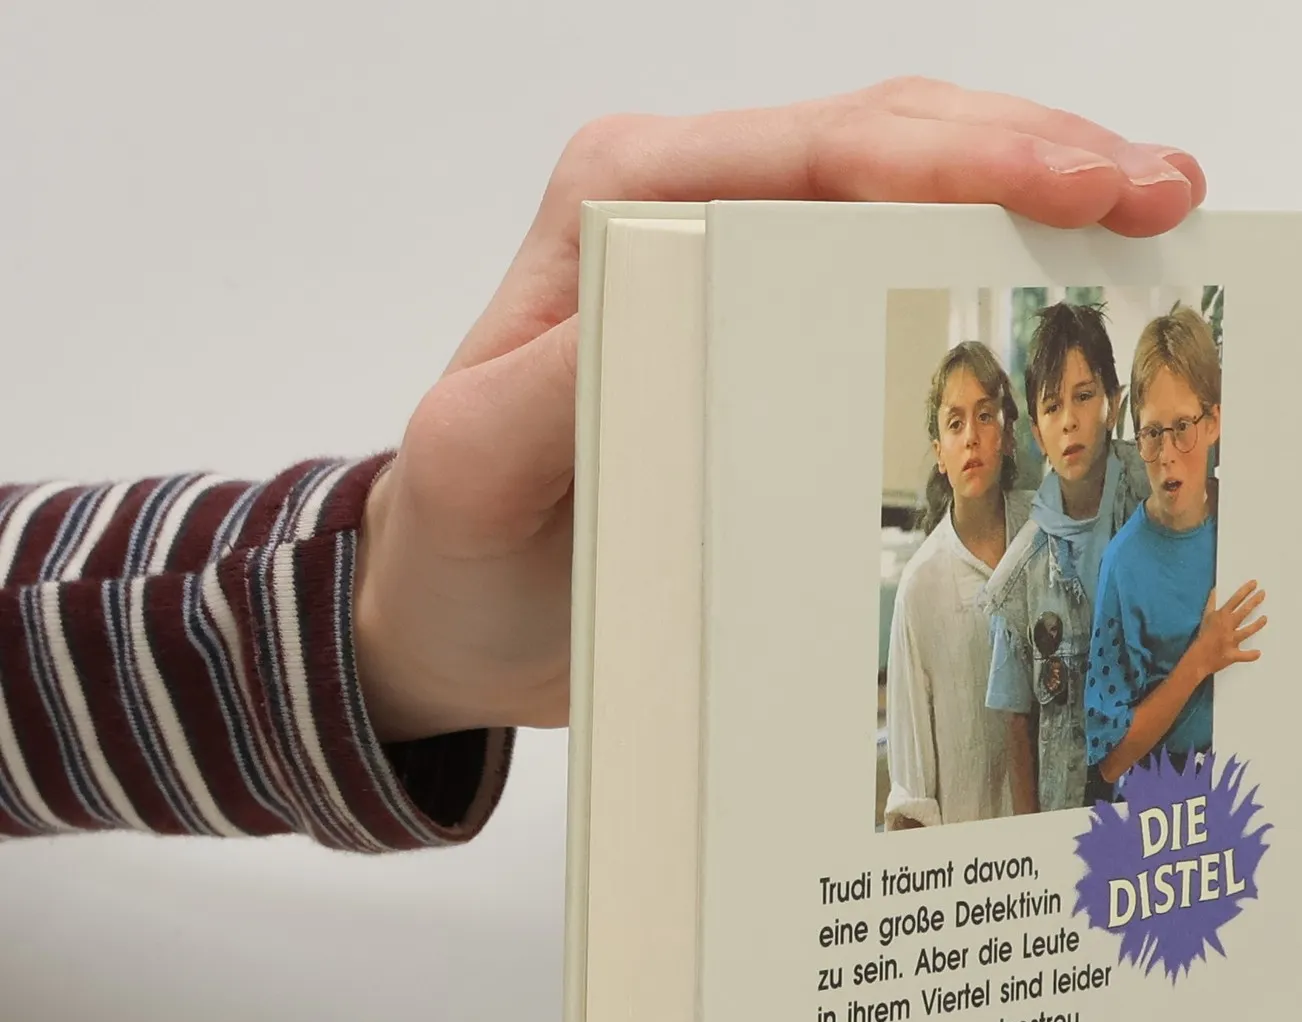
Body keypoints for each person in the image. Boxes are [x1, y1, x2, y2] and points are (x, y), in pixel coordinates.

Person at [0, 80, 1205, 849]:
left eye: (1025, 410)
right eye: (970, 416)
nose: (999, 435)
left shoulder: (1091, 554)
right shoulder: (940, 586)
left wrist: (374, 623)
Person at [1084, 303, 1264, 797]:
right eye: (1151, 433)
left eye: (1183, 427)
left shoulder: (1251, 527)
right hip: (1158, 808)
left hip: (1244, 789)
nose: (1166, 455)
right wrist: (1199, 658)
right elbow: (1109, 758)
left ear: (1214, 422)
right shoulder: (1123, 565)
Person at [980, 300, 1148, 813]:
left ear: (1113, 404)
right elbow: (1016, 724)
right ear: (1037, 432)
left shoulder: (1155, 504)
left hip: (1157, 804)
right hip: (1069, 813)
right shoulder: (1018, 578)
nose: (1069, 421)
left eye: (1084, 396)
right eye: (1052, 407)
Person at [882, 342, 1031, 829]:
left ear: (1007, 435)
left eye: (985, 416)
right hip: (970, 859)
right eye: (955, 423)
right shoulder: (921, 587)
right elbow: (911, 793)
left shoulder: (1045, 535)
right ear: (939, 454)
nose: (971, 437)